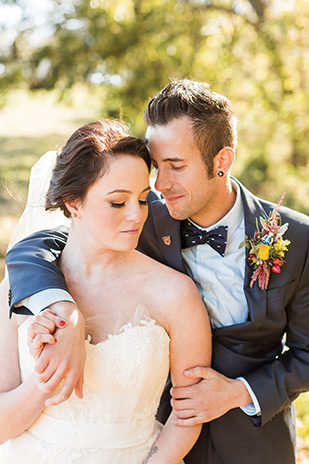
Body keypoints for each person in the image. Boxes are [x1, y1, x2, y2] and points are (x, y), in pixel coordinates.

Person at [5, 80, 309, 463]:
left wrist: (239, 391)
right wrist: (65, 309)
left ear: (221, 162)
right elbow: (40, 244)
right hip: (156, 434)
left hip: (253, 442)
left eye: (175, 166)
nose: (160, 185)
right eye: (156, 166)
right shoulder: (139, 215)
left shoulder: (296, 237)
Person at [0, 119, 212, 463]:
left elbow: (188, 415)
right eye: (117, 203)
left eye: (143, 200)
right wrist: (46, 379)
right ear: (73, 203)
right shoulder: (23, 287)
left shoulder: (175, 293)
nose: (135, 216)